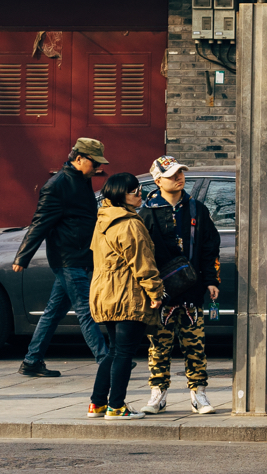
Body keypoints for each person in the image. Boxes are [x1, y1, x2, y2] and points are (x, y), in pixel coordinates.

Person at [11, 137, 109, 376]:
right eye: (94, 162)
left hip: (81, 255)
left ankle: (32, 361)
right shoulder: (56, 185)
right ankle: (107, 360)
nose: (97, 168)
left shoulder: (82, 179)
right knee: (87, 311)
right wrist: (22, 257)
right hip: (68, 258)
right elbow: (40, 223)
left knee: (53, 313)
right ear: (78, 158)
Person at [137, 157, 222, 415]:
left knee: (195, 344)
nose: (179, 178)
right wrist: (150, 289)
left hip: (192, 290)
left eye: (181, 173)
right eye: (172, 174)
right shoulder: (147, 213)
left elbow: (210, 247)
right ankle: (158, 394)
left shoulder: (196, 209)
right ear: (158, 180)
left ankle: (199, 394)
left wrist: (211, 280)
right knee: (159, 346)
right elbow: (142, 256)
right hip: (160, 294)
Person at [86, 172, 163, 419]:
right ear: (121, 194)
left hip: (104, 294)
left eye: (139, 190)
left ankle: (97, 404)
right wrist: (155, 292)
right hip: (126, 294)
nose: (139, 194)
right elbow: (142, 262)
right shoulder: (129, 223)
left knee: (114, 351)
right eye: (134, 191)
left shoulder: (103, 221)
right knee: (124, 353)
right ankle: (116, 406)